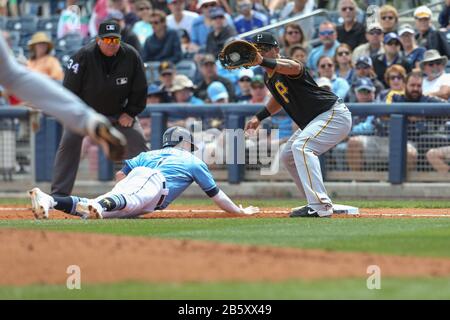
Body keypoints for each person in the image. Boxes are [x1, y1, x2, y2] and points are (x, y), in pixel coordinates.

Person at [29, 126, 260, 219]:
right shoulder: (192, 160)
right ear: (184, 142)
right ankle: (103, 204)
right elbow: (216, 195)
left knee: (90, 209)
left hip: (140, 185)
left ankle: (49, 200)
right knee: (113, 203)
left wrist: (117, 194)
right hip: (153, 182)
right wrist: (239, 212)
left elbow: (120, 176)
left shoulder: (149, 154)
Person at [244, 32, 352, 218]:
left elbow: (294, 67)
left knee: (301, 147)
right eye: (257, 50)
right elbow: (279, 99)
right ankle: (314, 201)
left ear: (276, 49)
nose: (259, 53)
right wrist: (259, 117)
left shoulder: (288, 65)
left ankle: (320, 205)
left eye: (264, 49)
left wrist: (262, 61)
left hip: (332, 114)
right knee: (288, 156)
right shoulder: (268, 77)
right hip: (317, 119)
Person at [51, 20, 149, 196]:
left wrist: (130, 112)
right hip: (85, 114)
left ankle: (148, 190)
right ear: (98, 40)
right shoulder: (82, 57)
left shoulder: (131, 56)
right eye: (108, 40)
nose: (112, 44)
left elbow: (140, 88)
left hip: (118, 113)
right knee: (68, 144)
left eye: (115, 40)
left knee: (138, 141)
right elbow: (69, 91)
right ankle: (59, 194)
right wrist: (76, 116)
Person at [0, 32, 126, 162]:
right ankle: (89, 121)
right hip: (32, 99)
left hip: (33, 103)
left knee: (15, 79)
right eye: (38, 44)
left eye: (43, 44)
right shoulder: (30, 62)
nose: (40, 46)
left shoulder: (51, 61)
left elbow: (58, 79)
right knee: (15, 77)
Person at [345, 77, 418, 172]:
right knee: (353, 142)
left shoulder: (380, 102)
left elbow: (369, 127)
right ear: (356, 93)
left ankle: (406, 186)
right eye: (361, 91)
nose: (364, 95)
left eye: (367, 91)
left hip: (400, 140)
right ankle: (357, 183)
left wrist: (348, 133)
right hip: (376, 140)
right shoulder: (350, 108)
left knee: (410, 153)